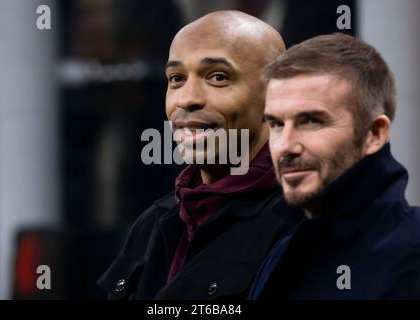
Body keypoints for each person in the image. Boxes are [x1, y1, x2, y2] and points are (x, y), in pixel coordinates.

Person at [97, 10, 302, 299]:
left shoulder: (304, 224)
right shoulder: (153, 222)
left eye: (218, 77)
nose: (187, 98)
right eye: (176, 78)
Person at [249, 33, 420, 299]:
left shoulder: (411, 250)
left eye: (311, 121)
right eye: (276, 124)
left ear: (374, 134)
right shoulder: (282, 251)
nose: (285, 146)